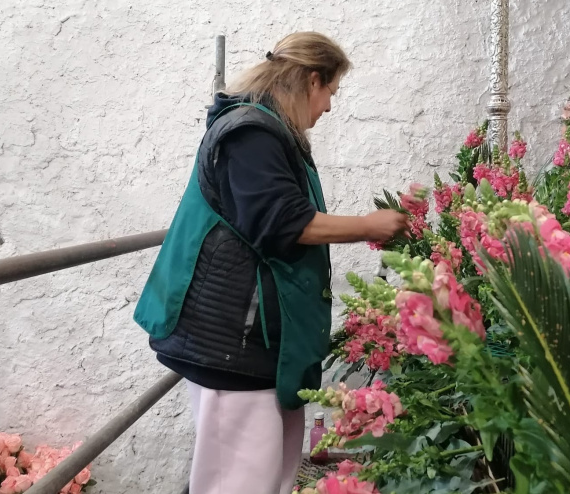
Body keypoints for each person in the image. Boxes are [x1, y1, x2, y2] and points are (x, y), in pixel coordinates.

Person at [132, 32, 409, 494]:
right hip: (233, 344)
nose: (329, 107)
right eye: (330, 93)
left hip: (254, 345)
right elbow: (283, 224)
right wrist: (369, 225)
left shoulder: (269, 131)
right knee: (236, 482)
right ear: (312, 80)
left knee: (264, 478)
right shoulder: (251, 133)